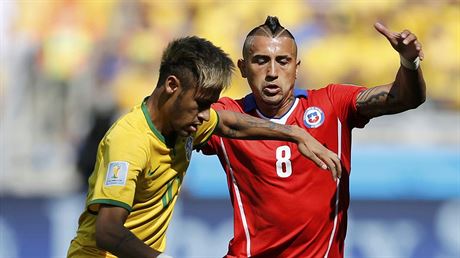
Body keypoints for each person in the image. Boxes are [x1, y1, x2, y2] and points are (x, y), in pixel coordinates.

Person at [67, 36, 340, 258]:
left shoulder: (183, 124)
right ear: (172, 86)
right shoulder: (130, 141)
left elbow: (230, 124)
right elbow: (108, 233)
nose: (204, 115)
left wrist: (294, 133)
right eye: (201, 104)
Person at [201, 16, 426, 257]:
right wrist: (293, 134)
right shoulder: (229, 115)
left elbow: (406, 98)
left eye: (283, 61)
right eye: (261, 61)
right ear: (243, 68)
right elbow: (181, 119)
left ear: (297, 68)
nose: (272, 72)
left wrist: (409, 62)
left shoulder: (332, 104)